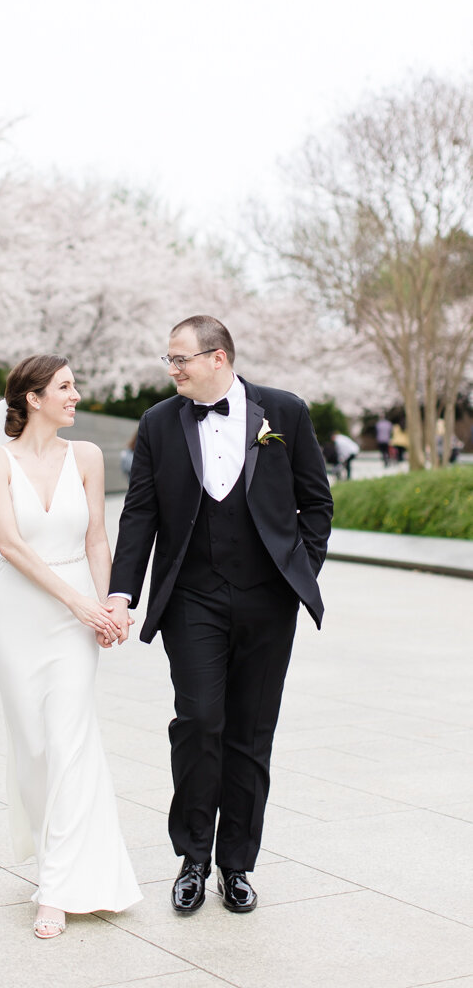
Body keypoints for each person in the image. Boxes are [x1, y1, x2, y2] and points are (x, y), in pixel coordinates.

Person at [103, 316, 332, 915]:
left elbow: (317, 500)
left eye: (181, 358)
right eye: (169, 359)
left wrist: (298, 571)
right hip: (192, 598)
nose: (172, 368)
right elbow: (140, 514)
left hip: (268, 599)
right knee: (199, 721)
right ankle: (193, 858)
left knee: (251, 734)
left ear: (219, 358)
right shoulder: (158, 422)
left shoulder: (284, 412)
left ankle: (237, 865)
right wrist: (122, 593)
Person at [0, 355, 141, 939]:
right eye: (66, 387)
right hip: (19, 617)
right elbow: (12, 546)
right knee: (34, 745)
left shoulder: (89, 457)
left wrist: (109, 604)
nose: (76, 395)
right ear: (32, 398)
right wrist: (79, 604)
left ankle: (60, 884)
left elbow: (98, 535)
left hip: (78, 619)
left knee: (70, 739)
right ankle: (49, 854)